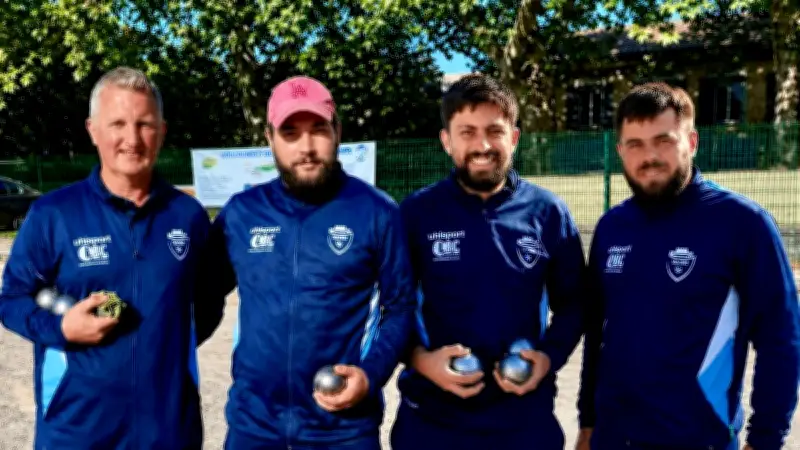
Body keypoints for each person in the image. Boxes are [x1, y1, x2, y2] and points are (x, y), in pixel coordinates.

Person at [0, 66, 219, 449]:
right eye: (117, 123)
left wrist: (160, 352)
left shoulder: (189, 217)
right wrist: (62, 330)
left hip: (169, 432)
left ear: (162, 131)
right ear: (93, 130)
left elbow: (207, 303)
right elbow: (12, 299)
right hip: (76, 431)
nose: (132, 139)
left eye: (145, 124)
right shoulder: (54, 214)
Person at [576, 82, 800, 450]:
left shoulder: (743, 224)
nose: (649, 156)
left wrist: (765, 440)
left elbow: (781, 341)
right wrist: (588, 423)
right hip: (613, 439)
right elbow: (597, 338)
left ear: (691, 142)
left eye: (663, 140)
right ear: (620, 152)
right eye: (635, 144)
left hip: (699, 440)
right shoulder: (611, 228)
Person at [201, 75, 416, 449]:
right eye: (290, 133)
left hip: (343, 431)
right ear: (269, 138)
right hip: (254, 429)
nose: (307, 147)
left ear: (337, 132)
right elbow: (202, 297)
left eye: (318, 129)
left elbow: (400, 306)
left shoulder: (377, 212)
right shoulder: (241, 214)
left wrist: (370, 374)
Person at [390, 73, 587, 449]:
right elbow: (391, 306)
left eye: (495, 131)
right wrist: (419, 360)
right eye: (467, 132)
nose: (482, 145)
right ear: (446, 141)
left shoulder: (548, 213)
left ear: (513, 137)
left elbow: (575, 304)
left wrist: (547, 358)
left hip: (523, 424)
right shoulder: (416, 214)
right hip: (431, 424)